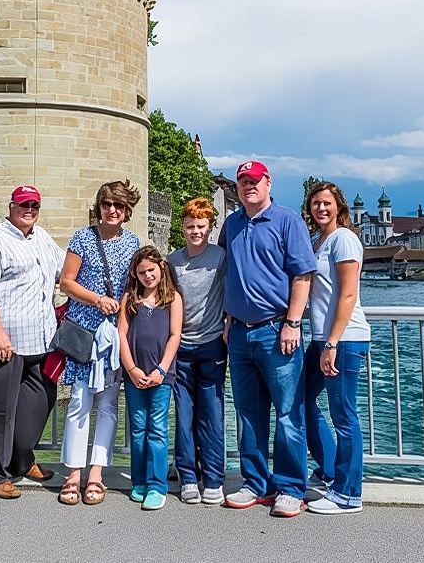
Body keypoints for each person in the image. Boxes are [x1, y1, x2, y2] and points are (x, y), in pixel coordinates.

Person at [218, 160, 317, 517]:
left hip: (277, 330)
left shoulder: (288, 220)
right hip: (240, 333)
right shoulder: (231, 224)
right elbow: (230, 274)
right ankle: (255, 483)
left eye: (254, 181)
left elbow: (303, 276)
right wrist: (228, 318)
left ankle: (291, 487)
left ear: (268, 182)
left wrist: (292, 322)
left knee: (289, 412)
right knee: (248, 413)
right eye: (243, 181)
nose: (248, 186)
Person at [0, 185, 62, 499]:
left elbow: (66, 271)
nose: (29, 209)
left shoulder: (43, 237)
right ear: (11, 206)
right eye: (23, 204)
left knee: (42, 400)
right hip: (4, 341)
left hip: (41, 339)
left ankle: (23, 458)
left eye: (34, 204)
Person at [55, 180, 142, 507]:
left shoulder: (132, 242)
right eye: (107, 204)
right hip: (84, 332)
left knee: (107, 406)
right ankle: (73, 474)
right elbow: (66, 282)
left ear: (126, 210)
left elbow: (135, 284)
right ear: (99, 206)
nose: (113, 210)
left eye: (119, 206)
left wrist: (121, 305)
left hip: (115, 332)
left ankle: (96, 474)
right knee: (79, 401)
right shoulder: (82, 237)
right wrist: (97, 299)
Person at [302, 181, 370, 515]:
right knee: (301, 401)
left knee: (344, 416)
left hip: (342, 339)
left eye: (326, 203)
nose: (321, 208)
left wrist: (331, 342)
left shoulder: (344, 239)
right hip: (321, 339)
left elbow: (347, 294)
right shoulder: (318, 241)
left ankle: (348, 493)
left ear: (338, 206)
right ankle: (330, 471)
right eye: (315, 203)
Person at [168, 196, 228, 505]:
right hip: (181, 346)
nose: (195, 231)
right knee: (184, 413)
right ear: (182, 228)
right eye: (190, 226)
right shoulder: (172, 261)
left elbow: (230, 293)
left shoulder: (219, 257)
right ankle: (188, 475)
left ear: (209, 228)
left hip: (212, 343)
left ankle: (214, 478)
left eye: (201, 226)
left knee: (212, 413)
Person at [118, 246, 183, 511]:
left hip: (161, 375)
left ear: (161, 269)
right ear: (135, 273)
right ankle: (140, 480)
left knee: (157, 429)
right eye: (142, 272)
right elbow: (121, 334)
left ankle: (157, 485)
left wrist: (162, 369)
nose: (147, 276)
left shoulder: (172, 298)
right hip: (135, 374)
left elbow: (174, 335)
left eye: (151, 271)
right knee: (138, 428)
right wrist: (131, 369)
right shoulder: (130, 299)